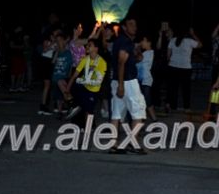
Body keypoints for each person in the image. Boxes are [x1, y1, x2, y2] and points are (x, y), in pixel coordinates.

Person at [110, 16, 148, 154]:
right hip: (128, 82)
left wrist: (138, 54)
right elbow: (121, 63)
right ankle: (132, 142)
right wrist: (121, 85)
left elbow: (130, 60)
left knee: (117, 113)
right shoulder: (125, 41)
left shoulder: (121, 41)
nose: (134, 27)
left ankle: (114, 145)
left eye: (135, 24)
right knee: (139, 111)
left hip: (117, 80)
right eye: (131, 25)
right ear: (124, 27)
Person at [65, 38, 107, 127]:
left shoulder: (102, 62)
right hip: (84, 87)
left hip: (94, 90)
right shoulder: (85, 59)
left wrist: (84, 81)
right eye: (87, 45)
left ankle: (89, 127)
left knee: (88, 110)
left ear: (96, 48)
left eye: (89, 45)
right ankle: (75, 106)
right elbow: (75, 75)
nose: (87, 47)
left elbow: (98, 82)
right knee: (74, 87)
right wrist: (67, 89)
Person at [166, 27, 202, 113]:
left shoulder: (173, 40)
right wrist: (193, 34)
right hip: (185, 68)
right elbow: (200, 44)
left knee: (172, 87)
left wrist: (170, 62)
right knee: (186, 89)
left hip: (173, 66)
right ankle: (187, 108)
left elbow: (168, 55)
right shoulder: (189, 41)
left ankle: (169, 105)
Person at [51, 31, 74, 116]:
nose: (58, 42)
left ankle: (71, 104)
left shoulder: (68, 53)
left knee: (64, 91)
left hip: (63, 76)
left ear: (64, 41)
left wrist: (69, 75)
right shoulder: (57, 53)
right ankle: (60, 111)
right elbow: (53, 62)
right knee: (58, 96)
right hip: (55, 76)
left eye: (60, 40)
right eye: (57, 41)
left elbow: (71, 65)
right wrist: (57, 51)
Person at [136, 35, 156, 121]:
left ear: (149, 42)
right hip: (140, 80)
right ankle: (141, 119)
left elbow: (139, 58)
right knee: (141, 100)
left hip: (146, 80)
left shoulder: (150, 52)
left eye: (143, 40)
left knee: (147, 100)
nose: (141, 43)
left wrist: (137, 48)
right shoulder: (144, 53)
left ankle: (155, 120)